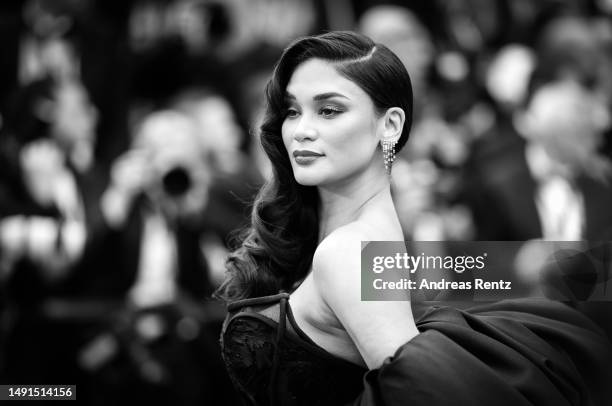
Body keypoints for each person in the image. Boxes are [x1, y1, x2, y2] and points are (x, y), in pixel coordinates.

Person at [215, 31, 612, 406]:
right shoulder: (369, 235)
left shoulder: (349, 250)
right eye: (292, 111)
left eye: (329, 110)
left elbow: (419, 392)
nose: (301, 130)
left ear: (389, 125)